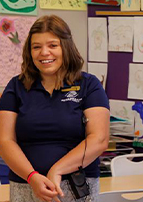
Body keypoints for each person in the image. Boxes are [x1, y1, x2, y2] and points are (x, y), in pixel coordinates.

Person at [0, 15, 110, 202]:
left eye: (52, 45)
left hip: (76, 186)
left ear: (65, 47)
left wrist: (57, 170)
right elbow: (5, 141)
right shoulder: (16, 87)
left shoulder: (89, 85)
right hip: (26, 184)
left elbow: (99, 139)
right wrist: (32, 176)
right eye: (36, 47)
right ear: (29, 51)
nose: (44, 52)